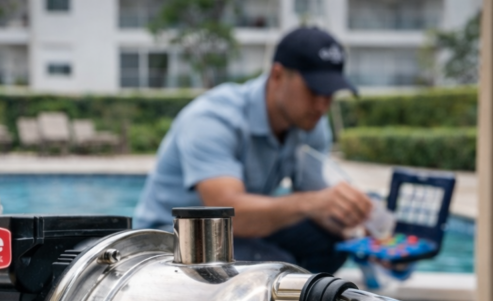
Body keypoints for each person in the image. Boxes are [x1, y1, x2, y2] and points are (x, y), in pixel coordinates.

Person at [133, 26, 372, 273]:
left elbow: (319, 205)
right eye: (314, 90)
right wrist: (314, 203)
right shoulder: (213, 118)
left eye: (330, 93)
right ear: (278, 75)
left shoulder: (311, 123)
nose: (323, 104)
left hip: (236, 233)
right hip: (168, 241)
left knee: (331, 244)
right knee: (274, 271)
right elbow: (223, 218)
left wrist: (360, 235)